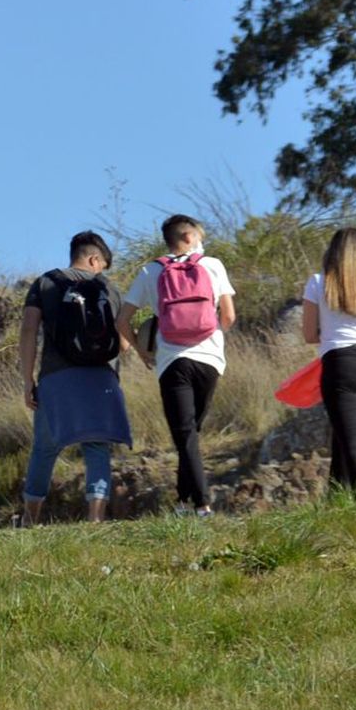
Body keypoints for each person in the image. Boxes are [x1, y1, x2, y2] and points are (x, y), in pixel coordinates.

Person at [117, 215, 237, 517]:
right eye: (201, 234)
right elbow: (229, 316)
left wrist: (143, 352)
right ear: (188, 236)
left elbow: (122, 320)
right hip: (209, 360)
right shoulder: (213, 265)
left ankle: (201, 504)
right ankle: (184, 503)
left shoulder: (151, 271)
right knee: (191, 432)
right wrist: (215, 332)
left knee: (185, 434)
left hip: (172, 361)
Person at [18, 231, 136, 524]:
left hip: (56, 378)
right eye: (101, 265)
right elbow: (122, 344)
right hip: (100, 378)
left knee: (45, 449)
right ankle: (95, 518)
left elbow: (28, 332)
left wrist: (28, 380)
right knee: (97, 446)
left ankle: (30, 519)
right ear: (94, 258)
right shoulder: (109, 288)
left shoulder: (45, 283)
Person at [302, 227, 356, 502]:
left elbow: (308, 335)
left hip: (341, 364)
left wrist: (329, 335)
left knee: (351, 440)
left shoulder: (318, 283)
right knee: (346, 434)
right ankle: (336, 499)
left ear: (333, 251)